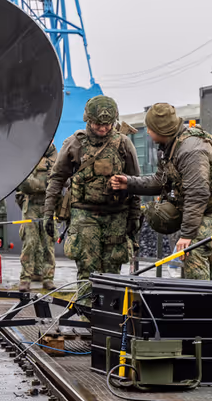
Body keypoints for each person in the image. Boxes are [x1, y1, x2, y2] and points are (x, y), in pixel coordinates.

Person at [109, 103, 212, 281]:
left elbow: (197, 194)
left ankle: (199, 301)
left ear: (160, 130)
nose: (148, 132)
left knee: (193, 249)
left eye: (150, 128)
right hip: (210, 207)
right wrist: (129, 183)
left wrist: (187, 235)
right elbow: (160, 181)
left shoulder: (191, 150)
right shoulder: (170, 147)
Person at [42, 96, 141, 304]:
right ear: (88, 120)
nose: (103, 129)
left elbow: (135, 184)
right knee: (87, 268)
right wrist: (48, 214)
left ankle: (112, 317)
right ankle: (87, 314)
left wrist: (134, 217)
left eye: (107, 124)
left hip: (117, 215)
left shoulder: (123, 144)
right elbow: (56, 179)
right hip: (84, 215)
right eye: (98, 124)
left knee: (113, 270)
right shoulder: (75, 144)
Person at [14, 143, 58, 290]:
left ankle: (48, 279)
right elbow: (24, 184)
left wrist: (39, 185)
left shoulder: (54, 156)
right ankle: (25, 279)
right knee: (30, 243)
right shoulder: (28, 155)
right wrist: (45, 185)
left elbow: (57, 181)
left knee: (48, 243)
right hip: (31, 206)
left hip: (49, 205)